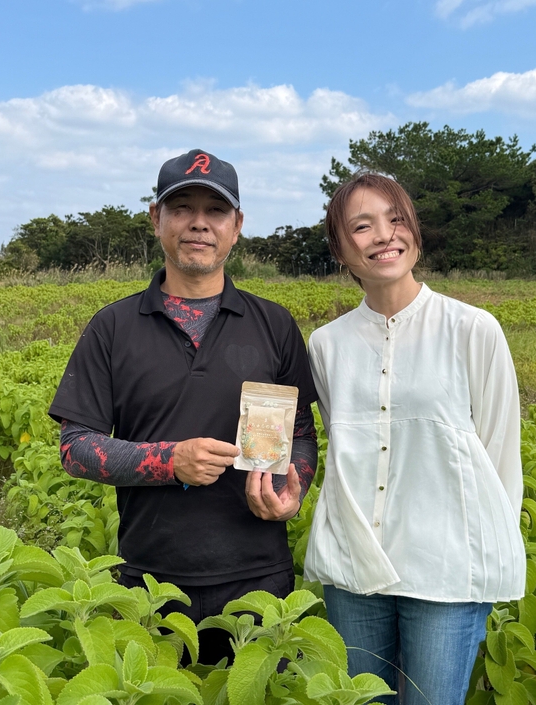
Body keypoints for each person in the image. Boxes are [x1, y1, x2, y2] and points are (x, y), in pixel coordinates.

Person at [49, 149, 318, 664]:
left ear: (237, 226)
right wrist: (168, 461)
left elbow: (301, 434)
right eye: (182, 208)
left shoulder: (274, 325)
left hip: (259, 579)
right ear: (157, 219)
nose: (199, 224)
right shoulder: (112, 327)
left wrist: (294, 488)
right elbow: (75, 447)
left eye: (216, 211)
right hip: (149, 583)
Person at [304, 173, 525, 705]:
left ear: (415, 233)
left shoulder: (472, 329)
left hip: (446, 567)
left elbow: (500, 454)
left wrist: (490, 559)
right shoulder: (326, 345)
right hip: (353, 566)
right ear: (340, 248)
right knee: (358, 700)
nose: (384, 235)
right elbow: (342, 446)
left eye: (396, 219)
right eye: (362, 226)